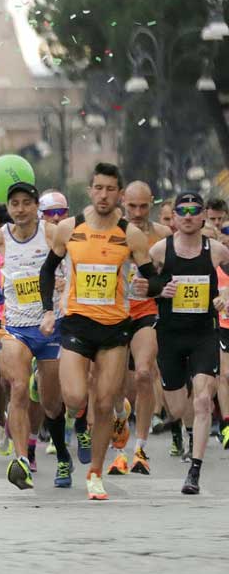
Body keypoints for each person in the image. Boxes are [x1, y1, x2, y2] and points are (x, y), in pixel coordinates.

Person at [39, 163, 156, 501]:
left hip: (115, 328)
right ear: (90, 190)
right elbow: (48, 271)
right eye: (98, 188)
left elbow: (152, 277)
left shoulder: (130, 235)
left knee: (104, 404)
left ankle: (94, 474)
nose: (103, 195)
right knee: (76, 400)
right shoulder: (68, 228)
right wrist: (48, 309)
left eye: (110, 189)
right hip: (76, 322)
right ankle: (88, 413)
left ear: (118, 193)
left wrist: (152, 285)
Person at [0, 182, 71, 490]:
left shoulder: (50, 233)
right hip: (15, 326)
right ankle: (21, 460)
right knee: (17, 388)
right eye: (15, 203)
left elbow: (69, 264)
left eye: (27, 203)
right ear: (9, 207)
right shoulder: (0, 236)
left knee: (52, 402)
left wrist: (64, 288)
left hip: (49, 325)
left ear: (35, 206)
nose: (21, 208)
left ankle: (62, 455)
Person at [147, 191, 229, 494]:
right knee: (179, 405)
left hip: (204, 333)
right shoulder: (159, 251)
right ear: (175, 217)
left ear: (204, 215)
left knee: (204, 399)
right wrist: (159, 290)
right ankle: (184, 427)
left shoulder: (217, 251)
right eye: (183, 211)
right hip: (169, 335)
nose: (189, 216)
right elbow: (138, 286)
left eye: (196, 210)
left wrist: (225, 297)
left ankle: (194, 471)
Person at [111, 181, 170, 476]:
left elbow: (175, 281)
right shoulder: (112, 232)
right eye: (131, 206)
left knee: (145, 373)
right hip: (113, 315)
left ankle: (140, 449)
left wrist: (156, 288)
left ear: (152, 204)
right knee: (117, 387)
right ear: (122, 201)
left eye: (143, 206)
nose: (136, 212)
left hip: (146, 313)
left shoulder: (162, 236)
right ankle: (120, 444)